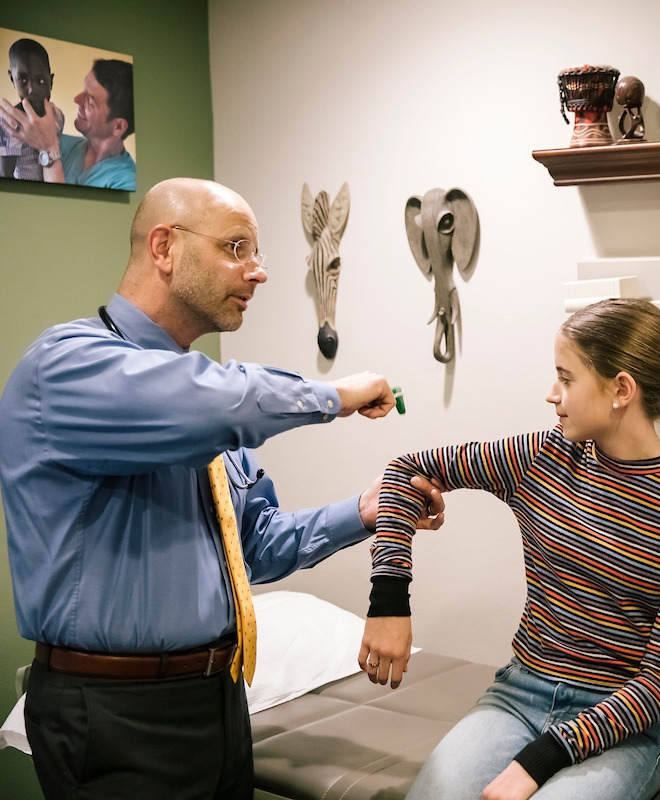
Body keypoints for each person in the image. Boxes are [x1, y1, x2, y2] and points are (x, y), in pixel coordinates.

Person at [0, 177, 444, 800]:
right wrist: (334, 395)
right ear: (164, 248)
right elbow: (204, 405)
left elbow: (253, 546)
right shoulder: (68, 366)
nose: (258, 273)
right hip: (114, 710)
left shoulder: (207, 397)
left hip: (218, 699)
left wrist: (362, 512)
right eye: (237, 248)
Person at [359, 297, 660, 800]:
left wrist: (541, 759)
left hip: (622, 726)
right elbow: (406, 470)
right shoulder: (542, 457)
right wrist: (388, 603)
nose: (552, 394)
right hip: (519, 694)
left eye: (566, 378)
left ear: (621, 389)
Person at [0, 57, 135, 189]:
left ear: (118, 127)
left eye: (90, 100)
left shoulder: (127, 181)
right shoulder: (62, 143)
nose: (77, 99)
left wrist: (48, 148)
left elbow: (58, 209)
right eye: (84, 90)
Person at [0, 38, 64, 181]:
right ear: (12, 80)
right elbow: (5, 176)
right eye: (22, 80)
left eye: (40, 80)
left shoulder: (58, 116)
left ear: (51, 81)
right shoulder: (9, 125)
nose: (32, 90)